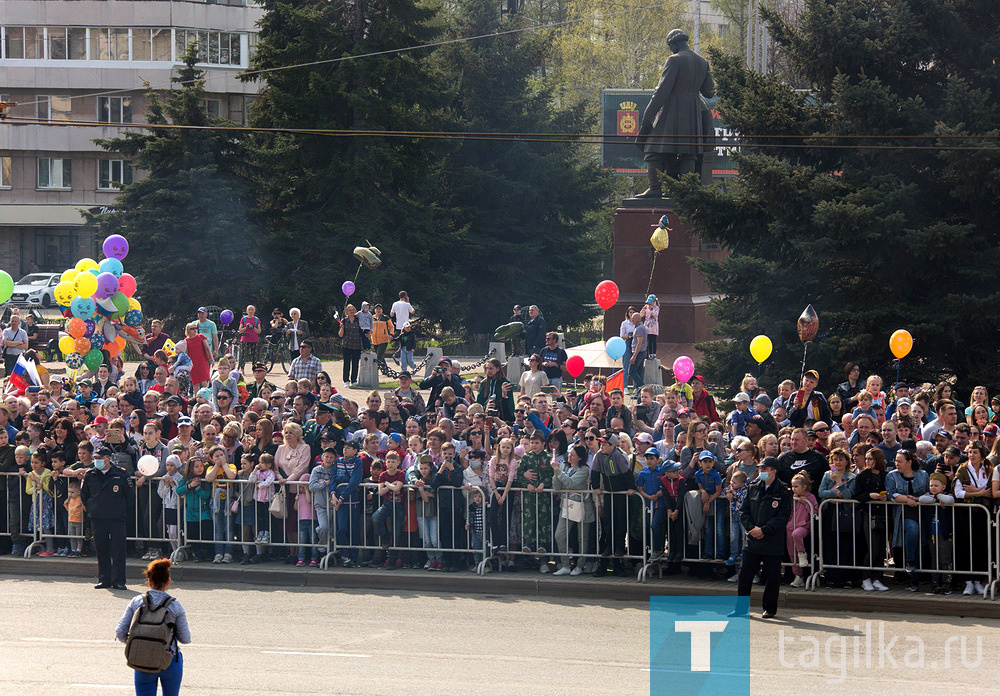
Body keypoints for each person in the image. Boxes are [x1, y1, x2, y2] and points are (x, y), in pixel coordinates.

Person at [635, 28, 715, 197]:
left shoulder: (674, 60)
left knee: (652, 148)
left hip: (673, 111)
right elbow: (709, 92)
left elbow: (662, 91)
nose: (670, 49)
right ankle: (686, 190)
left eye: (670, 45)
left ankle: (655, 189)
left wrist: (648, 116)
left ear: (676, 42)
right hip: (693, 112)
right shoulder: (703, 62)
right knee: (688, 153)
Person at [116, 559, 190, 696]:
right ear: (168, 581)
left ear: (148, 581)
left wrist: (141, 642)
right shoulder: (175, 605)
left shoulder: (137, 601)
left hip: (143, 660)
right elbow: (185, 638)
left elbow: (120, 632)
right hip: (169, 660)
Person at [729, 456, 792, 619]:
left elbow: (783, 516)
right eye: (760, 468)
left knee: (772, 576)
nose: (761, 471)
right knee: (745, 575)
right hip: (753, 539)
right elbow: (744, 511)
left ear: (774, 471)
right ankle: (741, 608)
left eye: (764, 469)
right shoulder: (753, 486)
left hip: (772, 540)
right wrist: (751, 528)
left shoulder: (784, 491)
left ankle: (769, 609)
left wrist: (765, 529)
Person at [80, 445, 133, 589]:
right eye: (95, 458)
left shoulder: (121, 474)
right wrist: (92, 509)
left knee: (118, 550)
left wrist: (120, 511)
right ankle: (104, 579)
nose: (96, 461)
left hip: (116, 518)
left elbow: (129, 497)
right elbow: (84, 495)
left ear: (108, 459)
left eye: (99, 458)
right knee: (101, 549)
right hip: (98, 518)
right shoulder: (90, 474)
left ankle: (119, 581)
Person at [338, 305, 364, 387]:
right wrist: (342, 328)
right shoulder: (344, 320)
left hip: (357, 345)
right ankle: (346, 380)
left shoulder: (358, 320)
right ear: (347, 311)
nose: (352, 311)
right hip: (347, 345)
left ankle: (354, 380)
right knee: (347, 363)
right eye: (350, 310)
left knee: (355, 363)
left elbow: (362, 331)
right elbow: (340, 335)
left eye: (353, 309)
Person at [2, 314, 28, 381]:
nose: (14, 323)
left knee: (20, 375)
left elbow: (25, 345)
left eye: (15, 321)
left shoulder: (23, 332)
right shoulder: (6, 331)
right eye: (12, 321)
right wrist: (19, 343)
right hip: (9, 356)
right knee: (8, 374)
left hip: (20, 356)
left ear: (19, 322)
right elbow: (6, 343)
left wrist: (12, 344)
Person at [237, 305, 261, 370]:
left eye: (252, 310)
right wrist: (246, 327)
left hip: (254, 339)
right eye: (249, 310)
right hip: (245, 339)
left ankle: (254, 369)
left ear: (254, 311)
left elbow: (259, 331)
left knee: (254, 356)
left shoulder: (256, 319)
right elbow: (240, 330)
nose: (250, 311)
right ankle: (242, 369)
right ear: (247, 311)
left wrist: (253, 328)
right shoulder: (244, 319)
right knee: (243, 355)